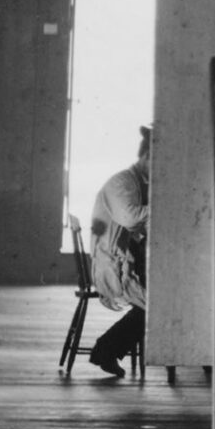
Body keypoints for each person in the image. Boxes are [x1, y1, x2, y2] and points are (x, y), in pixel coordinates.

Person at [86, 127, 149, 378]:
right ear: (145, 157)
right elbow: (130, 217)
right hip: (110, 266)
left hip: (118, 262)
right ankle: (105, 351)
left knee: (155, 303)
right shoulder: (122, 182)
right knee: (156, 307)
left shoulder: (134, 182)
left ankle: (107, 350)